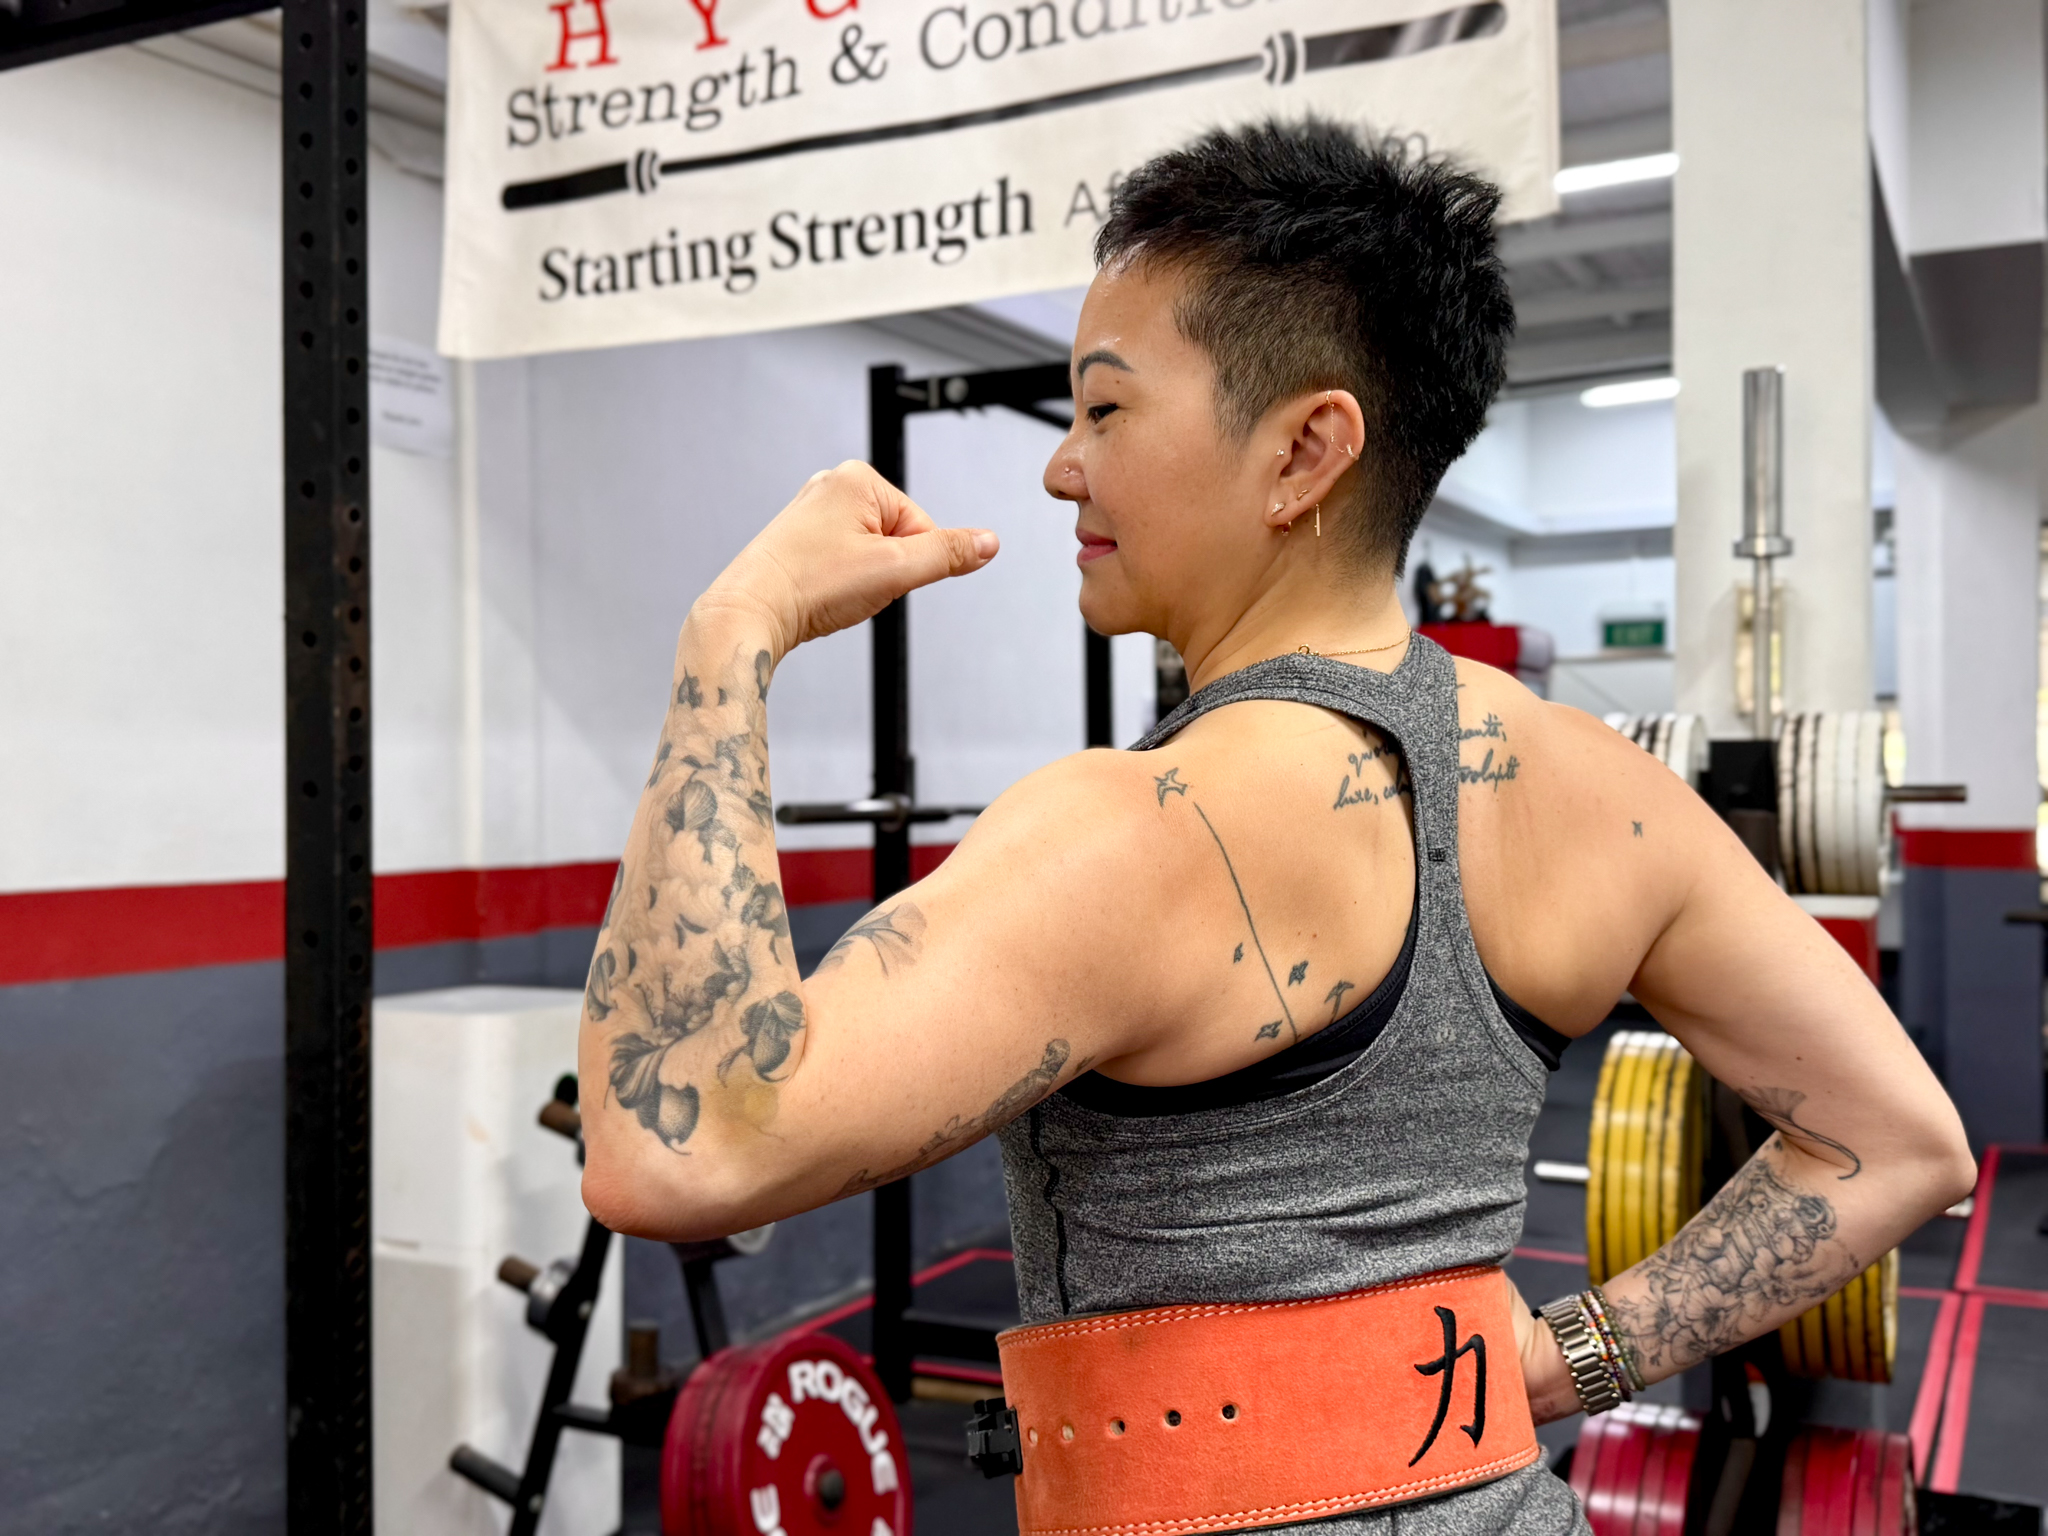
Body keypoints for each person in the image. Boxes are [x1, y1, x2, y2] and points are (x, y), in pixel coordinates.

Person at [578, 120, 1974, 1532]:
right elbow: (1905, 1139)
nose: (1063, 469)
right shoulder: (1602, 791)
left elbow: (676, 1150)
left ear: (1305, 450)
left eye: (1105, 410)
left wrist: (733, 631)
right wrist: (1568, 1362)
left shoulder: (1131, 832)